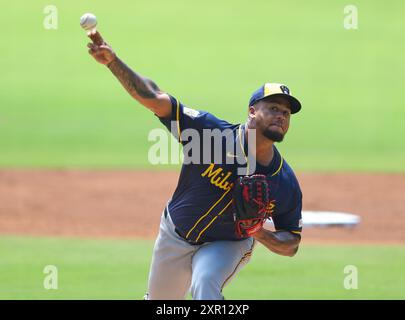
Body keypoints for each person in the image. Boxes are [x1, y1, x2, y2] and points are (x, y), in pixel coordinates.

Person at [86, 31, 303, 300]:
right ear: (251, 111)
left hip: (227, 244)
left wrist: (258, 232)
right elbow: (154, 96)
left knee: (205, 283)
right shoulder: (209, 134)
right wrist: (113, 62)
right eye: (273, 108)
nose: (281, 116)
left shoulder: (284, 181)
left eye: (286, 113)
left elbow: (291, 241)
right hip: (176, 234)